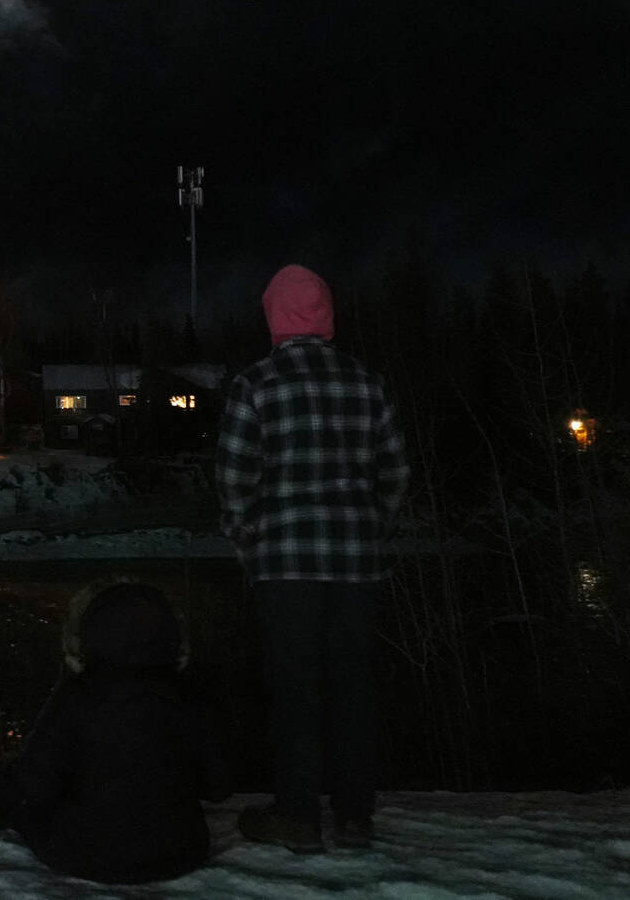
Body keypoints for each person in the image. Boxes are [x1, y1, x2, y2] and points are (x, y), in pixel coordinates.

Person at [217, 263, 409, 853]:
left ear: (275, 319)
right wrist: (370, 524)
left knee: (293, 687)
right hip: (356, 561)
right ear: (326, 317)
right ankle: (354, 816)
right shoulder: (367, 383)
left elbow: (234, 478)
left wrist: (247, 535)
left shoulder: (256, 384)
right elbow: (395, 470)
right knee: (352, 685)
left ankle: (298, 815)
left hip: (284, 563)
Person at [0, 577, 231, 884]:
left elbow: (33, 788)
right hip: (181, 854)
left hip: (85, 856)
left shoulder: (76, 697)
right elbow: (218, 788)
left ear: (92, 633)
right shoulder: (194, 696)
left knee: (20, 808)